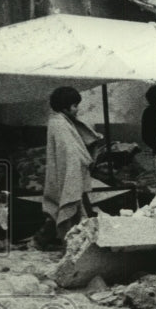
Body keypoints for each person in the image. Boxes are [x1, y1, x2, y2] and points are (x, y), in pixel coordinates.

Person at [35, 86, 102, 248]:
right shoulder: (59, 124)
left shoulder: (60, 121)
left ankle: (47, 240)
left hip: (68, 172)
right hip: (68, 172)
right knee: (66, 207)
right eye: (74, 106)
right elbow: (70, 152)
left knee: (65, 208)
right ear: (65, 107)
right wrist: (80, 165)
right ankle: (43, 241)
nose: (77, 109)